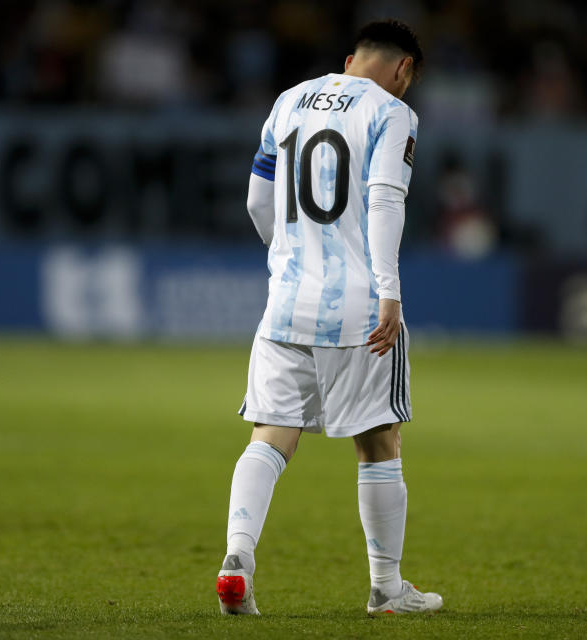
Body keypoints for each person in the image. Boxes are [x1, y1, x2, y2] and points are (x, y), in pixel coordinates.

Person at [216, 19, 443, 616]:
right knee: (379, 442)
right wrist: (389, 291)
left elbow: (256, 200)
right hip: (359, 309)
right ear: (404, 70)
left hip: (285, 303)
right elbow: (386, 196)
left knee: (270, 435)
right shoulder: (393, 113)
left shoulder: (287, 100)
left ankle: (237, 559)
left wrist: (288, 255)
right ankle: (387, 589)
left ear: (349, 59)